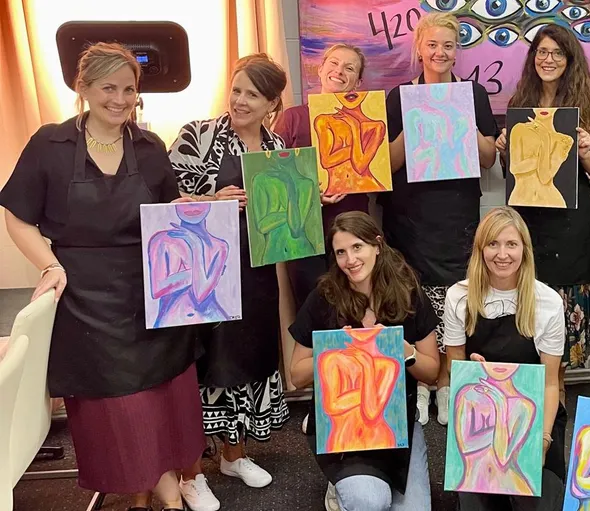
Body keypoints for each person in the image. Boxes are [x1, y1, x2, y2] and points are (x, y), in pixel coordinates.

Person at [0, 42, 203, 511]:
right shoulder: (49, 144)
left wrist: (195, 213)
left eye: (129, 89)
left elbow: (166, 214)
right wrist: (49, 265)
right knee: (121, 413)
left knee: (160, 402)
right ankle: (165, 495)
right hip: (86, 300)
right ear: (83, 87)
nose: (119, 98)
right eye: (108, 87)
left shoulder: (150, 147)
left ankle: (157, 494)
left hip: (154, 297)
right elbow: (17, 216)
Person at [168, 54, 292, 510]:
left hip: (255, 274)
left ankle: (233, 456)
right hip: (203, 274)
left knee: (248, 360)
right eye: (236, 89)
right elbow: (160, 198)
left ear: (271, 104)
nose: (240, 101)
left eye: (252, 95)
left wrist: (307, 200)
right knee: (205, 366)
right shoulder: (197, 136)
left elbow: (283, 220)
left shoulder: (276, 146)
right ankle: (190, 473)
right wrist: (210, 198)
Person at [382, 12, 498, 427]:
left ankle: (447, 382)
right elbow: (388, 164)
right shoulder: (397, 97)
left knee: (455, 300)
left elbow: (488, 160)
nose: (440, 53)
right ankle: (420, 385)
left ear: (457, 50)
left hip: (458, 211)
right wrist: (417, 120)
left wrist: (463, 123)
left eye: (448, 45)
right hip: (410, 213)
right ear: (419, 48)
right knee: (411, 299)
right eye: (432, 44)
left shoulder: (473, 94)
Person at [288, 211, 440, 511]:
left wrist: (404, 350)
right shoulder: (324, 296)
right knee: (370, 502)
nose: (350, 260)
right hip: (343, 429)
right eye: (341, 252)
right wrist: (331, 351)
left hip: (397, 424)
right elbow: (296, 374)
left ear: (377, 246)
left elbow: (432, 371)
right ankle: (343, 486)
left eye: (357, 247)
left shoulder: (408, 293)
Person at [494, 24, 590, 401]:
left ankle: (554, 404)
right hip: (529, 223)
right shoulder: (518, 106)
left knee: (560, 318)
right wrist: (503, 147)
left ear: (570, 59)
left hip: (572, 227)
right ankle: (538, 401)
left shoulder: (587, 109)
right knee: (531, 313)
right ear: (533, 58)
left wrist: (588, 149)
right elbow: (513, 169)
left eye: (557, 53)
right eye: (542, 52)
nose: (549, 59)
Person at [444, 206, 567, 511]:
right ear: (480, 249)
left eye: (511, 244)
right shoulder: (458, 298)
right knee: (478, 504)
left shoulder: (548, 302)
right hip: (480, 414)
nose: (502, 254)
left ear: (524, 250)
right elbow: (456, 371)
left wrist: (543, 440)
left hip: (535, 415)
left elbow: (551, 384)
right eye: (493, 244)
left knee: (540, 501)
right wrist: (475, 374)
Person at [274, 44, 372, 307]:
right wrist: (309, 193)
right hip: (302, 232)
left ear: (358, 82)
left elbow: (374, 171)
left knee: (355, 307)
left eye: (349, 68)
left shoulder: (368, 119)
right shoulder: (292, 118)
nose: (339, 71)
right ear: (320, 69)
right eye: (333, 63)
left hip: (353, 229)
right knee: (313, 309)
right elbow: (274, 176)